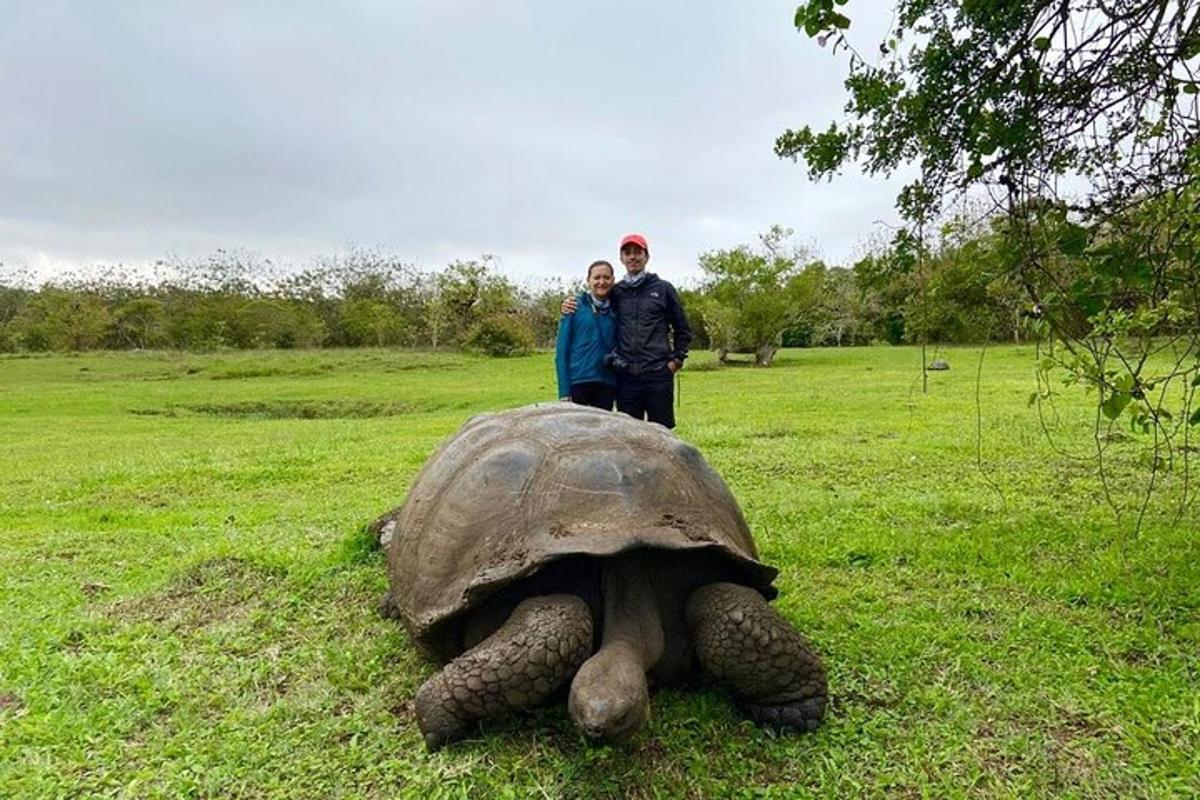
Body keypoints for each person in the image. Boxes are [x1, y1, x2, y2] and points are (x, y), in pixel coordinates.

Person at [563, 233, 692, 428]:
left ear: (646, 256)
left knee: (662, 431)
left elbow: (682, 328)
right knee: (629, 432)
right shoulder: (617, 292)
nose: (632, 257)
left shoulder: (664, 289)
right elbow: (593, 298)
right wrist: (568, 303)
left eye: (637, 252)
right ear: (622, 258)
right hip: (626, 376)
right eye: (627, 253)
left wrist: (676, 361)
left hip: (658, 372)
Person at [555, 260, 619, 409]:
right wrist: (564, 391)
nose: (601, 282)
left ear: (613, 280)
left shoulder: (618, 309)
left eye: (606, 277)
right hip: (579, 382)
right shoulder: (574, 307)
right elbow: (561, 351)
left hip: (606, 382)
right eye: (597, 278)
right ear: (588, 280)